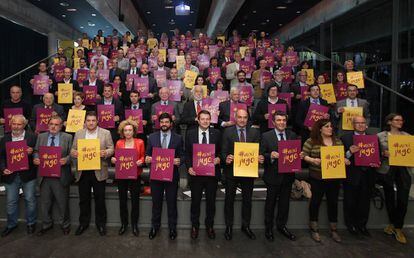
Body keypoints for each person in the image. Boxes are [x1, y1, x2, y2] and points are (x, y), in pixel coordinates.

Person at [302, 119, 349, 243]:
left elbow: (341, 156)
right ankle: (314, 229)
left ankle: (333, 230)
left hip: (334, 177)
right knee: (315, 202)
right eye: (327, 126)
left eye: (331, 126)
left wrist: (345, 160)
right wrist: (312, 160)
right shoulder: (311, 141)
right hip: (317, 177)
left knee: (333, 202)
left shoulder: (337, 141)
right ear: (320, 129)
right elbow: (303, 155)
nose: (330, 128)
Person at [221, 109, 263, 240]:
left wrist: (259, 157)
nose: (242, 120)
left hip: (248, 172)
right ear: (235, 117)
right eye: (239, 117)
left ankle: (246, 226)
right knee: (229, 200)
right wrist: (226, 158)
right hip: (231, 172)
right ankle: (229, 226)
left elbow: (259, 150)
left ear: (247, 118)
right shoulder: (227, 131)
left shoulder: (255, 132)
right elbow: (222, 152)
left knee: (247, 200)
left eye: (245, 117)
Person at [71, 111, 114, 236]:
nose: (90, 123)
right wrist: (73, 153)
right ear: (85, 122)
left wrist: (106, 153)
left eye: (93, 120)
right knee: (83, 199)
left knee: (100, 199)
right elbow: (73, 149)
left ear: (97, 121)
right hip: (83, 171)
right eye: (88, 121)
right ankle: (83, 223)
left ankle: (101, 224)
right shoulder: (79, 133)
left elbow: (111, 148)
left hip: (99, 170)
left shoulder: (105, 133)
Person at [260, 111, 298, 241]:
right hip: (272, 176)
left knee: (284, 204)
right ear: (273, 122)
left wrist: (300, 155)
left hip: (288, 176)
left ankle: (282, 226)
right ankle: (269, 228)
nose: (281, 122)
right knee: (270, 204)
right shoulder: (266, 136)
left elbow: (295, 154)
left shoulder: (292, 135)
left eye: (283, 120)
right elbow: (261, 154)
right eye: (279, 120)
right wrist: (270, 155)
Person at [145, 113, 184, 240]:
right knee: (156, 203)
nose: (164, 124)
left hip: (172, 175)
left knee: (172, 203)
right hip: (156, 176)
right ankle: (155, 227)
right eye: (162, 122)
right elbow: (147, 155)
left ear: (171, 124)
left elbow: (183, 155)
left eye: (167, 122)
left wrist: (179, 160)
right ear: (159, 124)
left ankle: (172, 228)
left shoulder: (178, 138)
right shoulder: (152, 137)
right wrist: (148, 159)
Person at [33, 116, 73, 236]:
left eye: (56, 124)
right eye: (51, 124)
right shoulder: (41, 136)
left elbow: (73, 153)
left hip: (60, 175)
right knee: (45, 203)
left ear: (61, 126)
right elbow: (36, 151)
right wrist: (35, 158)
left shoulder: (68, 137)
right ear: (48, 125)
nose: (53, 126)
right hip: (44, 176)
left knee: (62, 203)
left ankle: (65, 225)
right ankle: (46, 224)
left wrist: (67, 159)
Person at [185, 110, 221, 239]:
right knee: (195, 202)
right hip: (196, 175)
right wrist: (189, 167)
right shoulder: (190, 134)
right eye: (203, 119)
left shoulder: (216, 133)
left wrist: (219, 159)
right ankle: (195, 226)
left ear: (210, 120)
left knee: (211, 203)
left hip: (212, 174)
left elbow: (221, 152)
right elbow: (187, 153)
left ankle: (209, 226)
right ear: (198, 120)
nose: (205, 121)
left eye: (208, 119)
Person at [377, 113, 413, 244]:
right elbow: (374, 154)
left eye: (401, 120)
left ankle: (398, 227)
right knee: (390, 197)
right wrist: (383, 153)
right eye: (397, 120)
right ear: (389, 122)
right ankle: (393, 224)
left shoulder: (408, 137)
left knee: (403, 199)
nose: (400, 122)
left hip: (404, 169)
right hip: (387, 169)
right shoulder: (380, 136)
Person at [0, 115, 37, 237]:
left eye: (19, 124)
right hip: (11, 175)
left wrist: (32, 152)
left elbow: (39, 154)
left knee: (30, 200)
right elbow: (1, 157)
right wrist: (3, 168)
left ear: (24, 125)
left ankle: (31, 223)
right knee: (11, 202)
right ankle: (11, 224)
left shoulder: (32, 137)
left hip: (28, 175)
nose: (16, 126)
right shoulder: (5, 139)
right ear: (10, 124)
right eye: (14, 124)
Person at [340, 116, 376, 237]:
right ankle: (351, 225)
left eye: (363, 123)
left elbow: (378, 155)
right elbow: (339, 157)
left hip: (368, 175)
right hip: (352, 174)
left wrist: (377, 161)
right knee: (350, 201)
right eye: (358, 123)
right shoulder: (345, 138)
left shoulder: (373, 138)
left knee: (365, 202)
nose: (360, 125)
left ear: (366, 125)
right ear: (353, 124)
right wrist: (349, 152)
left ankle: (362, 225)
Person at [111, 120, 145, 236]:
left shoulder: (140, 142)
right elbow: (116, 157)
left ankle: (134, 224)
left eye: (130, 130)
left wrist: (141, 161)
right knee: (122, 200)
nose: (128, 132)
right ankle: (124, 224)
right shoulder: (119, 143)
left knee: (135, 200)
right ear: (122, 132)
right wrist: (113, 160)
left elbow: (143, 157)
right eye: (125, 130)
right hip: (122, 175)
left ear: (134, 131)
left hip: (135, 174)